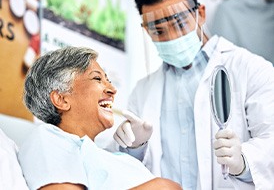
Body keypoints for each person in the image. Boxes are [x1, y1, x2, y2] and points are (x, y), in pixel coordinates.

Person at [113, 0, 274, 189]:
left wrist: (244, 162)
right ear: (147, 31)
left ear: (201, 13)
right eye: (159, 30)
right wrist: (133, 149)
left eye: (179, 23)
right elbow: (131, 176)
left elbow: (270, 142)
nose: (172, 36)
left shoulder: (252, 70)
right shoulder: (142, 92)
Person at [18, 46, 182, 190]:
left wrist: (135, 149)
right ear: (62, 99)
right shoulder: (47, 138)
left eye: (108, 80)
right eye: (97, 78)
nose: (112, 89)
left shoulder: (107, 155)